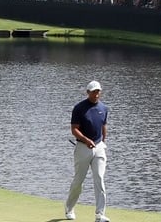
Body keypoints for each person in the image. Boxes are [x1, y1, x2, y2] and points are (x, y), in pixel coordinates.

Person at [65, 80, 110, 222]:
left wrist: (102, 142)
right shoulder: (79, 108)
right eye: (93, 91)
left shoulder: (104, 108)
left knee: (100, 179)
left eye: (98, 91)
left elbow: (103, 126)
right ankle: (69, 209)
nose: (96, 94)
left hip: (99, 148)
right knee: (79, 180)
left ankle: (100, 214)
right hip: (82, 148)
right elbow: (74, 129)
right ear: (88, 92)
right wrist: (86, 140)